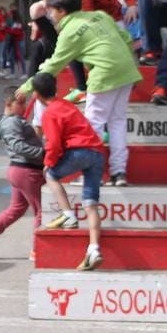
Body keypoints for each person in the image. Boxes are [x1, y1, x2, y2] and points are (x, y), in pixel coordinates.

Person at [20, 0, 140, 187]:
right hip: (126, 71)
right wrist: (123, 59)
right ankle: (119, 173)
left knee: (93, 123)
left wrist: (26, 87)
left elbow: (53, 65)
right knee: (117, 122)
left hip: (104, 75)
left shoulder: (69, 31)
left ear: (62, 11)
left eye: (51, 11)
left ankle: (91, 174)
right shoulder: (99, 16)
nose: (49, 15)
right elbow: (126, 38)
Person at [31, 72, 105, 271]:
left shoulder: (50, 113)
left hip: (80, 151)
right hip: (97, 153)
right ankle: (94, 249)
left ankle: (68, 215)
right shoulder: (67, 105)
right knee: (90, 204)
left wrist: (48, 162)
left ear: (36, 95)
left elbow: (53, 144)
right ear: (55, 89)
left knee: (51, 174)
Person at [0, 87, 45, 259]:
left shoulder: (11, 120)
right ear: (8, 104)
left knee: (16, 209)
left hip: (18, 170)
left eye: (24, 102)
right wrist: (44, 153)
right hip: (27, 170)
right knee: (42, 210)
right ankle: (38, 250)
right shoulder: (12, 122)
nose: (24, 106)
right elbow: (18, 146)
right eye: (20, 103)